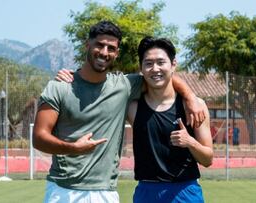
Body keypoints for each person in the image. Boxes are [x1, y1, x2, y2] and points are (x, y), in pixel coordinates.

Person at [33, 21, 206, 203]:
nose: (104, 52)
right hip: (64, 190)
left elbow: (162, 77)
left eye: (111, 48)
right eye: (99, 45)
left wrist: (190, 97)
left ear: (116, 53)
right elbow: (39, 137)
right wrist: (73, 148)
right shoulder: (60, 87)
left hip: (106, 192)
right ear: (87, 45)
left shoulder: (123, 86)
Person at [126, 36, 213, 203]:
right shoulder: (132, 107)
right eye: (149, 63)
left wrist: (190, 142)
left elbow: (208, 159)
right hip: (147, 192)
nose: (155, 69)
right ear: (141, 68)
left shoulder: (195, 107)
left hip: (185, 192)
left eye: (161, 62)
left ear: (173, 64)